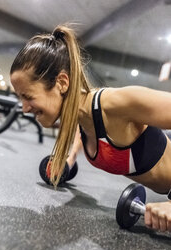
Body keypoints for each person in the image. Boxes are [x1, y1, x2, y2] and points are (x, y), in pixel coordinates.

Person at [10, 24, 171, 232]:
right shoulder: (82, 118)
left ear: (62, 82)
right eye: (19, 97)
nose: (23, 108)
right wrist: (68, 161)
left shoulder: (117, 104)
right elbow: (80, 133)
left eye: (28, 96)